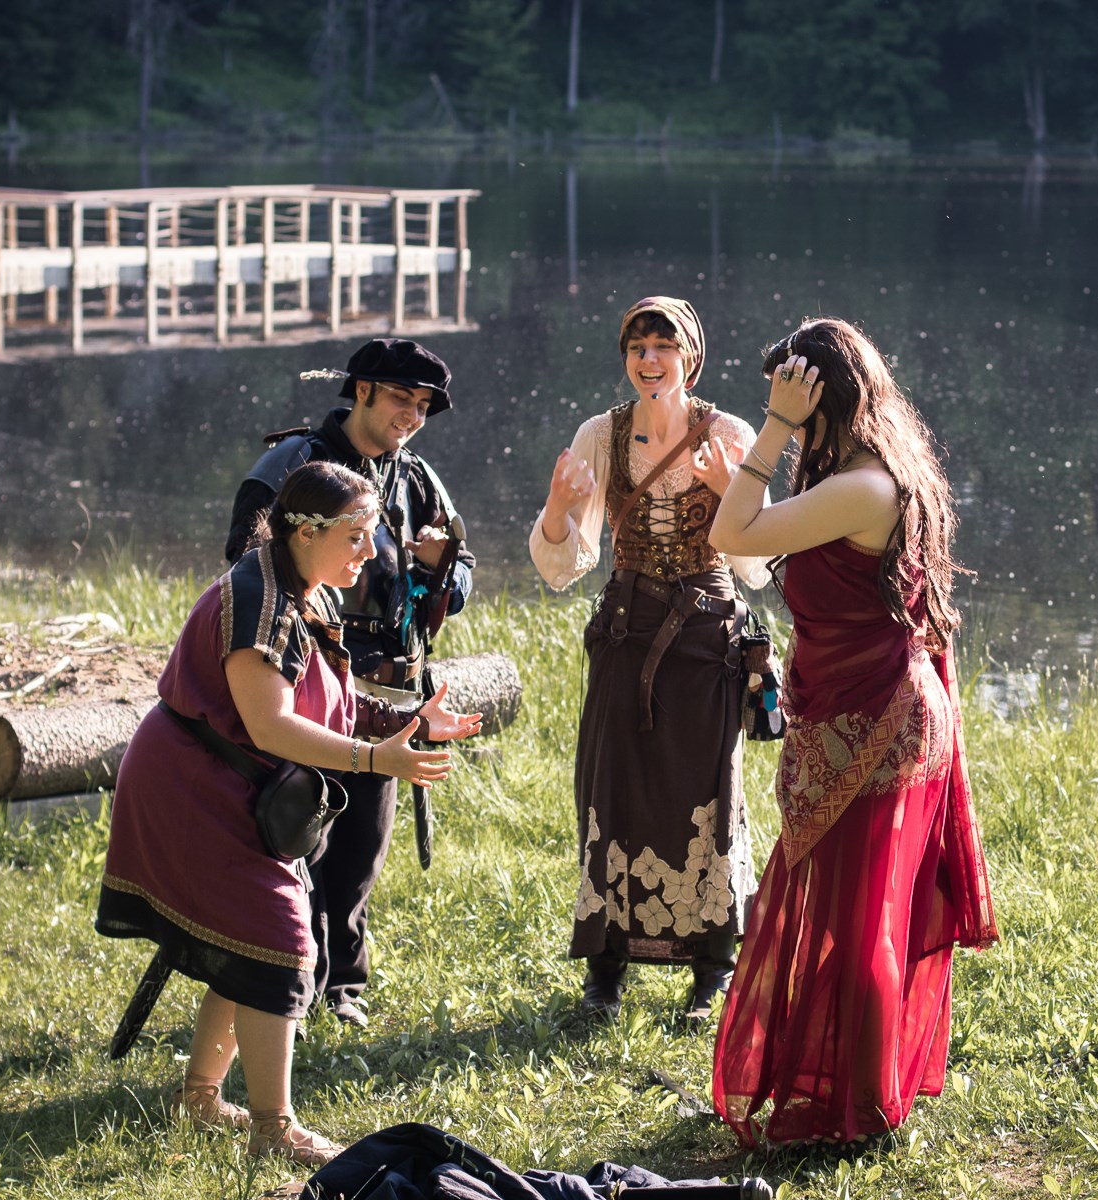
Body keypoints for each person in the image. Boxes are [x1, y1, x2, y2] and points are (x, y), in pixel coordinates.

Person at [98, 461, 482, 1166]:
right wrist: (374, 762)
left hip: (236, 783)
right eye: (358, 535)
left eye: (372, 535)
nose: (371, 552)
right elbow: (272, 725)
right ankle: (273, 1129)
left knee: (249, 942)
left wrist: (408, 720)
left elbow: (326, 692)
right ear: (305, 531)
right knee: (282, 943)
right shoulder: (260, 602)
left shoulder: (307, 588)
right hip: (192, 787)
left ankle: (200, 1097)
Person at [703, 318, 999, 1146]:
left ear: (818, 397)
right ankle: (846, 1090)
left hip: (881, 726)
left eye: (793, 396)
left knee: (863, 918)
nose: (786, 413)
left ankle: (858, 1110)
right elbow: (758, 552)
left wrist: (771, 429)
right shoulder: (861, 472)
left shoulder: (865, 486)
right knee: (851, 914)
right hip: (859, 711)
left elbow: (732, 537)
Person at [530, 295, 770, 1023]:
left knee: (708, 794)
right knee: (613, 788)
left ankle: (712, 968)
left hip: (705, 638)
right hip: (628, 629)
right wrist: (555, 509)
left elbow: (761, 565)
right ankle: (605, 971)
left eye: (664, 345)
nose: (649, 359)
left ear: (691, 358)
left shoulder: (730, 433)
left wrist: (734, 495)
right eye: (637, 346)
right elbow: (564, 565)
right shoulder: (600, 434)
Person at [226, 338, 474, 1029]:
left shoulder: (419, 479)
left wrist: (434, 567)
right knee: (297, 834)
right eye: (402, 398)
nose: (412, 416)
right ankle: (291, 982)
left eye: (423, 406)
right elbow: (246, 563)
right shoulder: (293, 464)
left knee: (361, 850)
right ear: (360, 390)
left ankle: (344, 986)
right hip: (302, 683)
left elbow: (461, 584)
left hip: (388, 690)